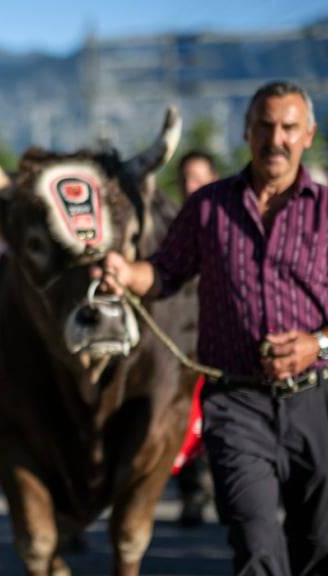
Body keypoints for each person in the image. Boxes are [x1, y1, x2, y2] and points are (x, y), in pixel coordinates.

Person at [96, 81, 328, 574]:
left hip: (317, 400)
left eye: (289, 128)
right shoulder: (208, 207)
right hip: (236, 402)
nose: (276, 139)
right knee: (255, 543)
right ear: (246, 131)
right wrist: (127, 273)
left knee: (319, 544)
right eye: (265, 126)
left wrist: (318, 344)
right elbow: (164, 273)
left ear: (308, 135)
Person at [172, 150, 220, 528]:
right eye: (186, 179)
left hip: (223, 343)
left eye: (199, 179)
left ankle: (216, 485)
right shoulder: (171, 226)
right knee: (182, 417)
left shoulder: (229, 221)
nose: (192, 187)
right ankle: (192, 491)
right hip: (180, 343)